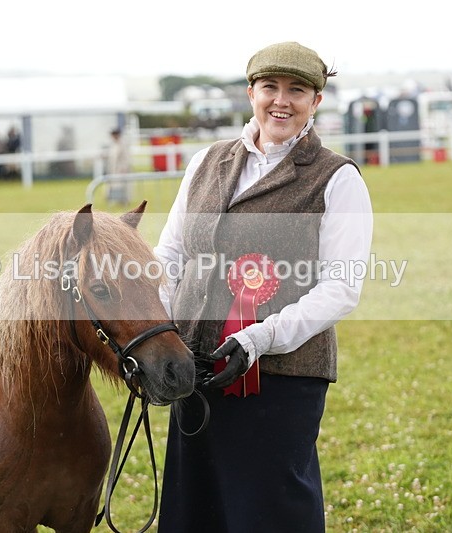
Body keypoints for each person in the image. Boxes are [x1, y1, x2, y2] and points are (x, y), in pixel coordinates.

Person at [154, 42, 373, 532]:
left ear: (315, 101)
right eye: (270, 87)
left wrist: (258, 339)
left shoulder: (337, 179)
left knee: (266, 515)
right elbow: (169, 256)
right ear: (251, 92)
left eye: (297, 90)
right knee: (197, 511)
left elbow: (342, 287)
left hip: (280, 377)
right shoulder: (206, 163)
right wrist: (159, 333)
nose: (282, 100)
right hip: (196, 369)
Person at [105, 127, 132, 203]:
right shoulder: (113, 144)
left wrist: (124, 168)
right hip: (114, 169)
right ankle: (114, 199)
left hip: (121, 169)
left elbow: (126, 157)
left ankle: (125, 200)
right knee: (114, 185)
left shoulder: (123, 144)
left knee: (123, 185)